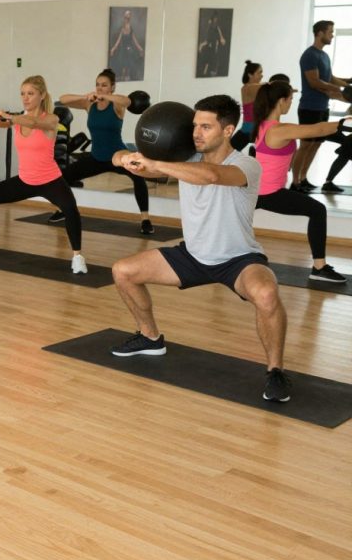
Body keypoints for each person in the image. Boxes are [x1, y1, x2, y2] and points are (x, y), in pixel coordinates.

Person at [109, 95, 291, 403]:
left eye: (206, 127)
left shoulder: (246, 164)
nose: (196, 133)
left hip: (238, 259)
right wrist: (123, 158)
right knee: (122, 271)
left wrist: (156, 163)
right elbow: (140, 166)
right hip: (192, 255)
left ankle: (276, 371)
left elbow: (211, 176)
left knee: (267, 294)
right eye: (195, 125)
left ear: (228, 130)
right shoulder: (186, 158)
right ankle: (150, 337)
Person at [0, 75, 87, 274]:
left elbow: (33, 122)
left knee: (71, 210)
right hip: (25, 180)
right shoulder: (17, 120)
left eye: (30, 94)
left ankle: (77, 257)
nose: (26, 98)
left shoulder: (51, 119)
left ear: (42, 96)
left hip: (50, 181)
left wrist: (9, 116)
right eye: (22, 94)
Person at [252, 80, 347, 282]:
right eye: (290, 99)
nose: (290, 104)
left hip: (257, 191)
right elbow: (317, 129)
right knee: (318, 210)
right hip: (269, 193)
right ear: (281, 101)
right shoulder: (279, 130)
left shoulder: (262, 126)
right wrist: (344, 122)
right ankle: (319, 268)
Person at [51, 68, 154, 234]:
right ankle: (64, 210)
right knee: (64, 176)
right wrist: (85, 97)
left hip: (118, 156)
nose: (100, 88)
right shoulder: (89, 105)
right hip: (96, 157)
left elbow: (127, 101)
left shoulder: (117, 105)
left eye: (104, 85)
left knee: (138, 177)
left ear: (112, 87)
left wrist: (104, 96)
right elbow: (63, 99)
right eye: (97, 85)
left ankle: (145, 219)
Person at [291, 20, 348, 194]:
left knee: (316, 145)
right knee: (306, 145)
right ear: (320, 33)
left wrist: (348, 84)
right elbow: (314, 82)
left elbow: (330, 78)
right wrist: (338, 89)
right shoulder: (309, 55)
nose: (332, 35)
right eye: (330, 32)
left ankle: (303, 178)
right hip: (309, 108)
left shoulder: (323, 55)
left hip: (322, 107)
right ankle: (295, 182)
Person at [231, 60, 263, 154]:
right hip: (249, 129)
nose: (262, 75)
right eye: (259, 72)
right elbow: (269, 85)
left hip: (257, 129)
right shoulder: (247, 88)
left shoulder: (257, 88)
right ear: (250, 75)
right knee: (228, 154)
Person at [109, 10, 144, 82]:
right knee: (123, 69)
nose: (127, 19)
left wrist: (140, 49)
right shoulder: (122, 29)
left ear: (130, 19)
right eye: (126, 18)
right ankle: (123, 79)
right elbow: (118, 41)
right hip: (123, 52)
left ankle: (127, 79)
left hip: (129, 51)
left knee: (129, 68)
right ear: (124, 18)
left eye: (128, 18)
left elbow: (135, 41)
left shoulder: (131, 29)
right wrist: (113, 49)